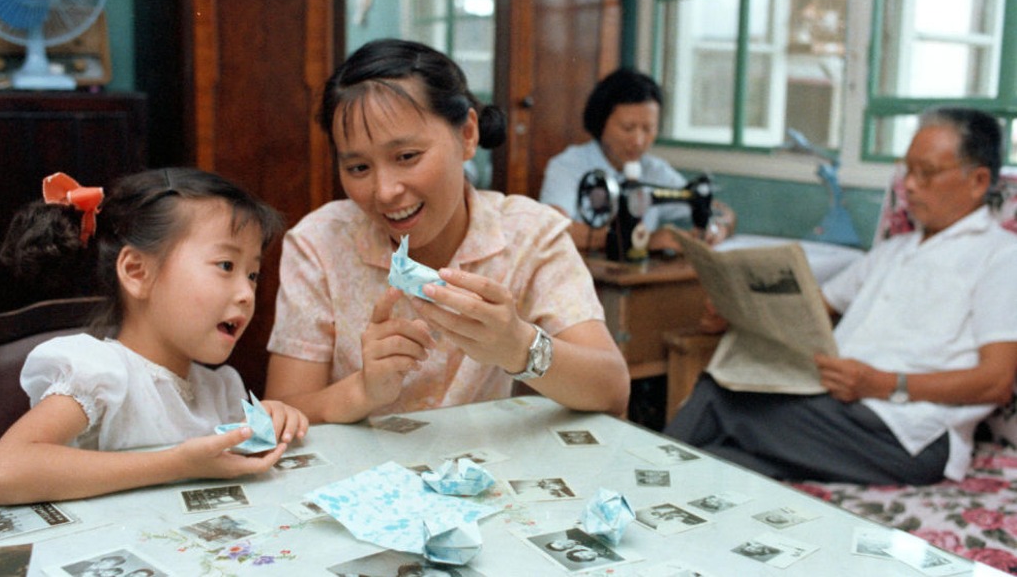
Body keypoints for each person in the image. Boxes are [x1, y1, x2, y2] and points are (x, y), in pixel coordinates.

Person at [264, 38, 630, 423]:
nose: (385, 192)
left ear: (467, 134)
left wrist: (518, 346)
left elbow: (613, 391)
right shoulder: (319, 243)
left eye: (407, 157)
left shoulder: (530, 235)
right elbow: (285, 411)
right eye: (358, 168)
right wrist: (362, 390)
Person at [665, 106, 1017, 485]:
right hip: (835, 411)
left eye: (926, 173)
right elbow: (810, 307)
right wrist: (736, 311)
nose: (910, 186)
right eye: (907, 171)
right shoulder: (893, 251)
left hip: (911, 434)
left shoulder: (1000, 256)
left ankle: (629, 484)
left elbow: (995, 381)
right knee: (718, 462)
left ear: (978, 181)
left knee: (724, 398)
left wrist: (883, 384)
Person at [0, 168, 309, 506]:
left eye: (252, 274)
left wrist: (273, 420)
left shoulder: (221, 389)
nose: (246, 293)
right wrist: (175, 464)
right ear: (137, 272)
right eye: (226, 265)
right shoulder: (101, 374)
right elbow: (0, 474)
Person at [538, 67, 736, 252]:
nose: (638, 141)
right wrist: (645, 240)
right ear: (600, 122)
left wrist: (718, 227)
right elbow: (555, 230)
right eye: (628, 128)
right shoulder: (568, 166)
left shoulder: (655, 170)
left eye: (648, 129)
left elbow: (719, 210)